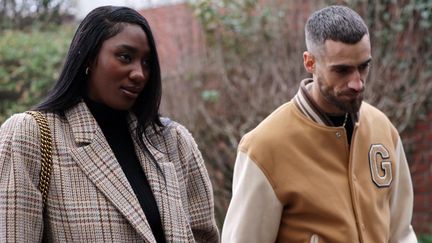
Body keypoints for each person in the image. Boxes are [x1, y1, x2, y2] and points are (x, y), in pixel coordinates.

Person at [0, 6, 219, 242]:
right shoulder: (31, 135)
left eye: (146, 62)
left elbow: (203, 235)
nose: (139, 73)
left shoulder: (173, 141)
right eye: (125, 57)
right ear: (89, 58)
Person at [222, 5, 417, 243]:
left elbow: (401, 233)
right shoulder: (264, 147)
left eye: (363, 66)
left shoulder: (383, 128)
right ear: (310, 62)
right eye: (342, 70)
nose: (357, 83)